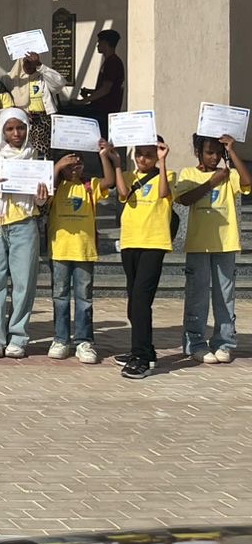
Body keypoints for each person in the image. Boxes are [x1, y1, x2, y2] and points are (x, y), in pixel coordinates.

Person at [0, 108, 46, 359]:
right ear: (2, 130)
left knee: (24, 283)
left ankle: (18, 336)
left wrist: (42, 197)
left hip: (24, 222)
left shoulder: (36, 157)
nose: (16, 133)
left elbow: (42, 199)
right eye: (10, 128)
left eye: (21, 128)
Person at [99, 135, 171, 380]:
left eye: (149, 155)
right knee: (134, 301)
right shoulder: (129, 176)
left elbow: (163, 193)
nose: (143, 159)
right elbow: (121, 193)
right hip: (130, 243)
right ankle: (144, 350)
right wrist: (117, 163)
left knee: (141, 300)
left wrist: (162, 162)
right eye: (139, 153)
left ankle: (141, 358)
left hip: (154, 244)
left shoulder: (167, 175)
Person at [174, 132, 246, 365]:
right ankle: (195, 343)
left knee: (225, 295)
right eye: (209, 152)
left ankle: (224, 342)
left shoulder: (229, 174)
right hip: (199, 244)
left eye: (219, 153)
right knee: (197, 296)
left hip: (225, 243)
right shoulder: (189, 173)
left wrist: (232, 151)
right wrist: (212, 182)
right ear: (199, 153)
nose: (214, 157)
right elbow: (184, 199)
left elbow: (247, 182)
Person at [46, 151, 100, 364]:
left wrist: (105, 155)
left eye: (78, 164)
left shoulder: (89, 186)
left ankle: (84, 341)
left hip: (84, 250)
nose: (74, 169)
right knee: (60, 296)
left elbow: (110, 181)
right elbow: (42, 197)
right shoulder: (56, 187)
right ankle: (60, 339)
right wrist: (57, 167)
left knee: (84, 297)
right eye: (69, 166)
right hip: (60, 249)